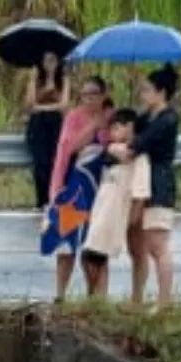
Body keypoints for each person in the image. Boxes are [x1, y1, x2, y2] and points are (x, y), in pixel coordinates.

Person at [42, 75, 112, 301]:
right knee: (67, 243)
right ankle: (60, 295)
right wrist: (92, 127)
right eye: (85, 95)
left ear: (104, 95)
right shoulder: (74, 118)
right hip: (74, 188)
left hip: (101, 189)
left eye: (94, 94)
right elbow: (68, 149)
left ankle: (97, 297)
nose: (89, 99)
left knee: (95, 247)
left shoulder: (112, 118)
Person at [117, 64, 181, 307]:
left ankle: (164, 302)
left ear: (161, 92)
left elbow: (140, 143)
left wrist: (128, 145)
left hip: (158, 183)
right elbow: (130, 130)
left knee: (157, 245)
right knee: (137, 246)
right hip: (139, 184)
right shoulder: (147, 116)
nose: (143, 95)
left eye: (147, 90)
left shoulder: (168, 119)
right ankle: (137, 300)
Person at [80, 107, 152, 300]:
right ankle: (98, 298)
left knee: (99, 256)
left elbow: (140, 193)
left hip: (118, 216)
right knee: (92, 257)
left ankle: (131, 298)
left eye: (117, 128)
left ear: (130, 127)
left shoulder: (139, 159)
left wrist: (132, 219)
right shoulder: (113, 155)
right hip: (102, 215)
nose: (112, 134)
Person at [24, 51, 67, 210]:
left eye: (53, 60)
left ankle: (53, 197)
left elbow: (64, 105)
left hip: (56, 123)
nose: (50, 63)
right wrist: (41, 86)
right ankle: (41, 200)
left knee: (54, 161)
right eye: (46, 60)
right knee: (40, 163)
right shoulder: (35, 78)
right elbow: (29, 105)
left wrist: (51, 90)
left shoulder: (63, 79)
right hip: (38, 124)